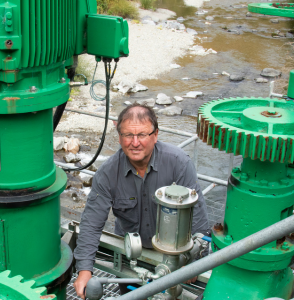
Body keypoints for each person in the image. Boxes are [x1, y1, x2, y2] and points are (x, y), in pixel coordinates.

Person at [73, 104, 209, 298]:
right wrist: (84, 270)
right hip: (132, 261)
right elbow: (91, 224)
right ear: (119, 136)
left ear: (155, 135)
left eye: (142, 135)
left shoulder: (178, 163)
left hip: (175, 260)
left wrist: (194, 262)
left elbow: (198, 218)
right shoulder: (107, 173)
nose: (134, 143)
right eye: (128, 135)